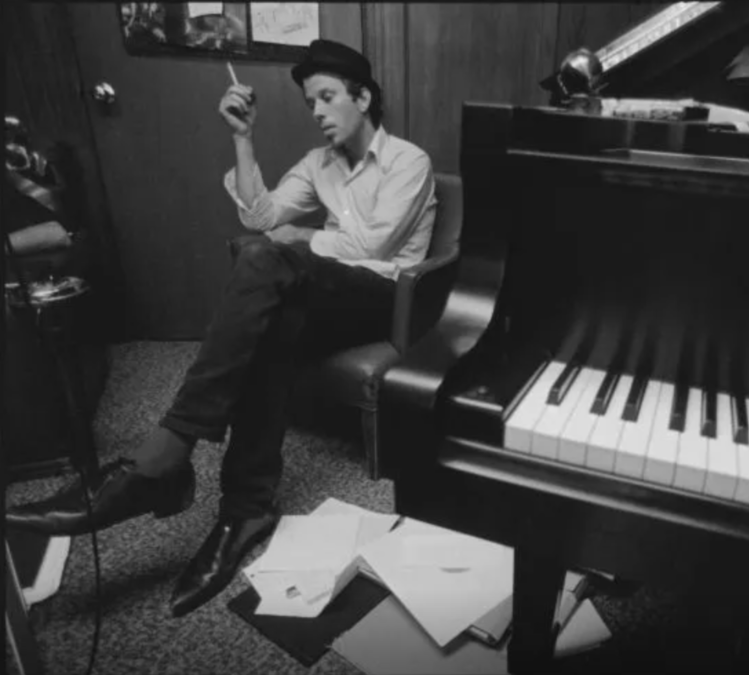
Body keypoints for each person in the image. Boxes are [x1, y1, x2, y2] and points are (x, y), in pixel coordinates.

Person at [6, 39, 437, 617]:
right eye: (311, 101)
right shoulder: (318, 165)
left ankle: (162, 459)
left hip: (387, 297)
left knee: (263, 258)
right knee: (272, 309)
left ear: (363, 97)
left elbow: (372, 244)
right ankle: (244, 509)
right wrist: (242, 137)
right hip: (325, 291)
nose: (317, 111)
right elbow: (259, 216)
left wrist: (297, 238)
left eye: (328, 97)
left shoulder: (409, 160)